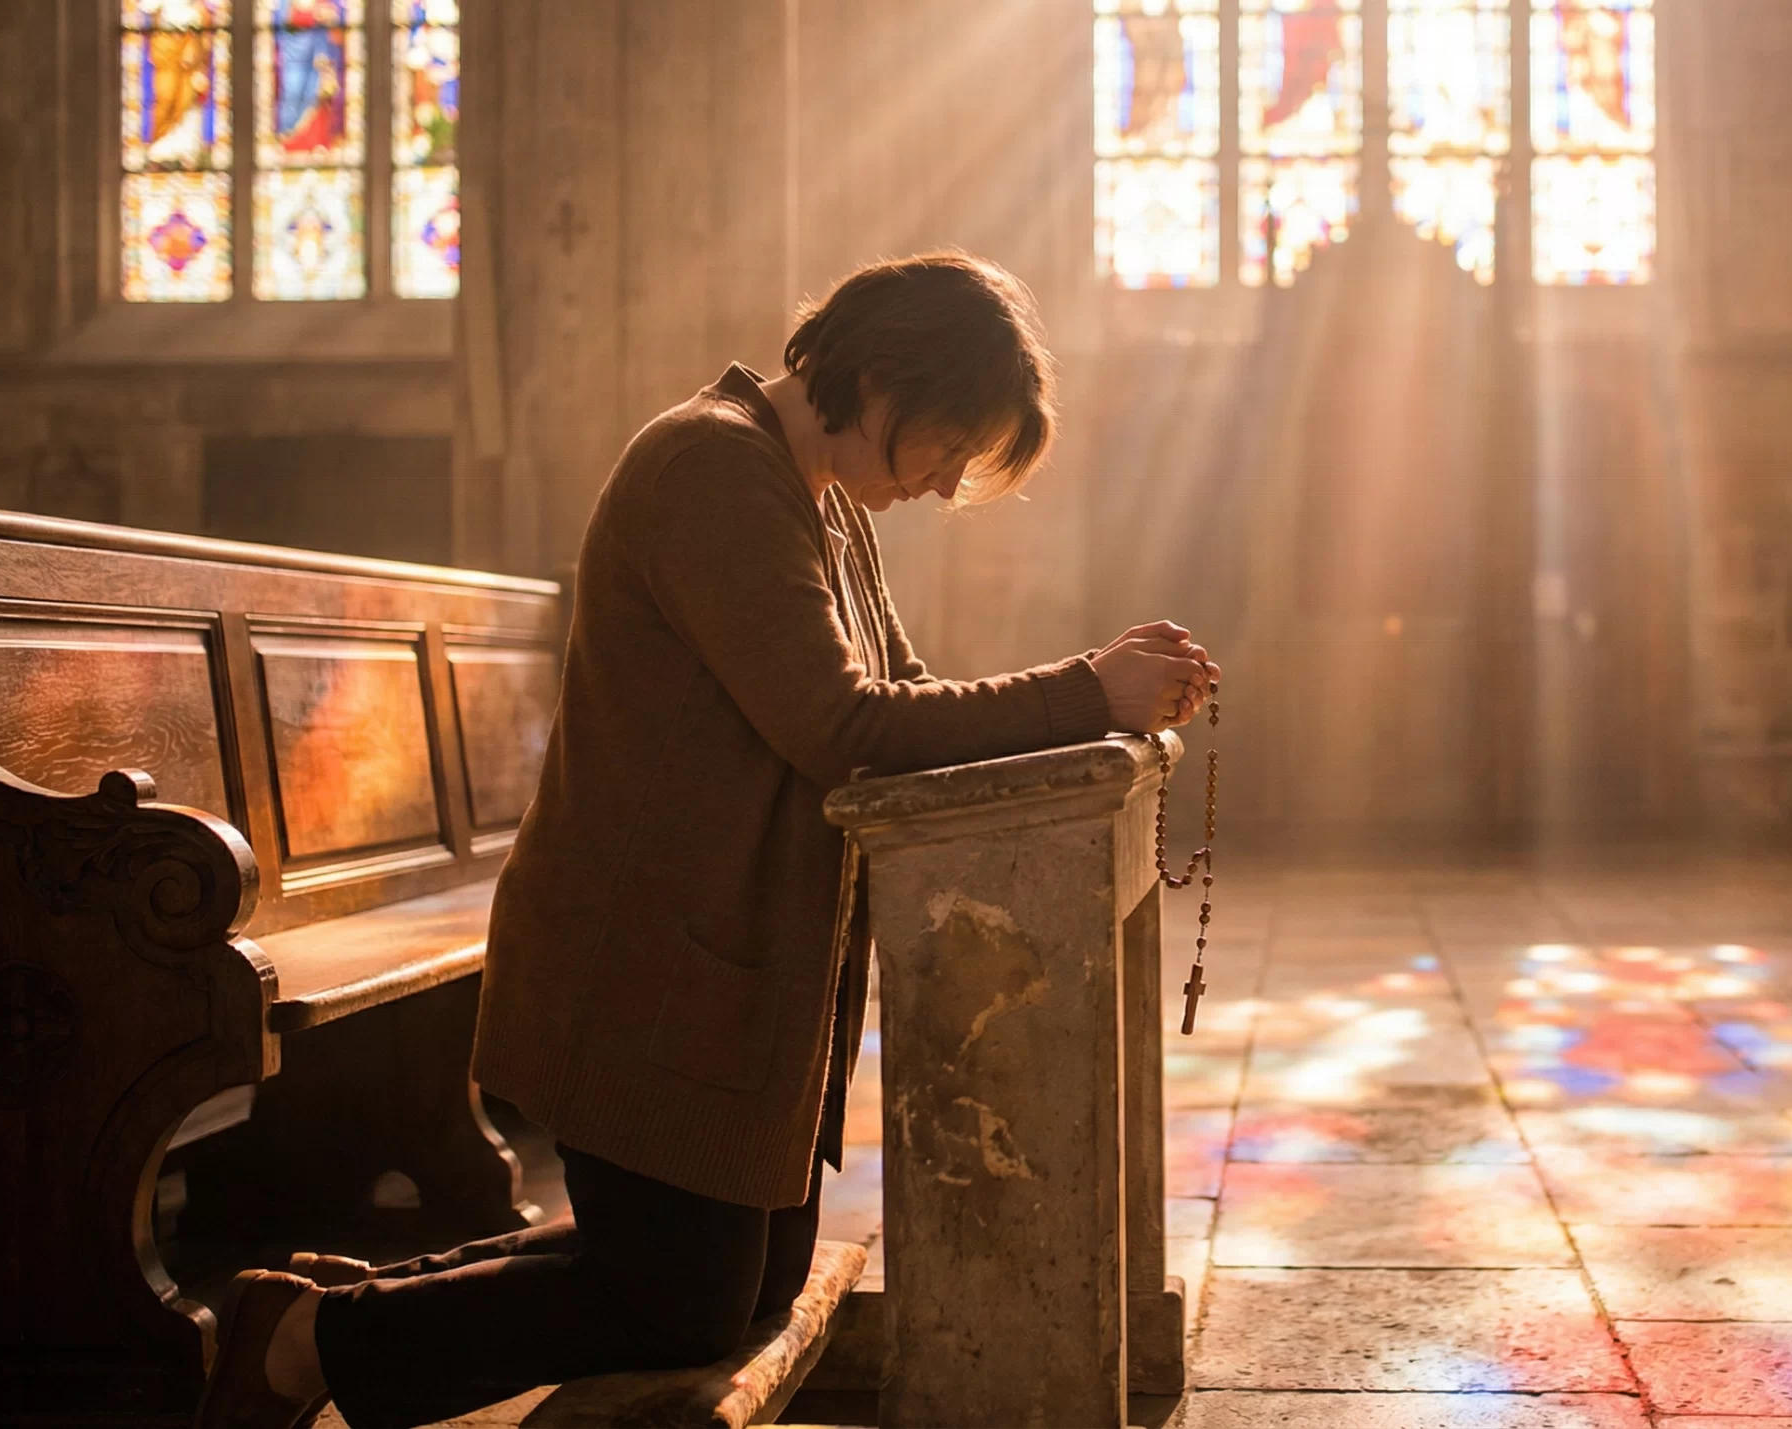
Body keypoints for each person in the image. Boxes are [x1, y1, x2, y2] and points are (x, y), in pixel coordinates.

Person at [196, 251, 1217, 1429]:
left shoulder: (822, 492)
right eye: (947, 442)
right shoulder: (711, 469)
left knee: (742, 1287)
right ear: (879, 377)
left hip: (738, 978)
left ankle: (332, 1306)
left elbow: (907, 691)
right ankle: (309, 1340)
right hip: (647, 964)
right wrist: (1087, 689)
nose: (944, 485)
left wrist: (1092, 691)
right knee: (680, 1303)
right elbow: (842, 726)